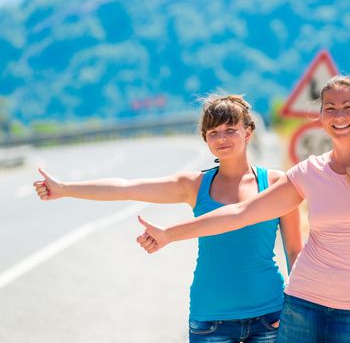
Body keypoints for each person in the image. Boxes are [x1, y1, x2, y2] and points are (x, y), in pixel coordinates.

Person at [136, 76, 350, 343]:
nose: (339, 116)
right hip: (305, 304)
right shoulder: (309, 172)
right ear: (321, 117)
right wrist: (169, 234)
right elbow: (241, 213)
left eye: (348, 107)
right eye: (330, 108)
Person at [33, 94, 303, 343]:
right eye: (213, 132)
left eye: (230, 129)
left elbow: (293, 250)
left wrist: (295, 309)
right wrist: (65, 189)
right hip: (211, 319)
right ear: (205, 139)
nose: (222, 138)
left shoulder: (276, 182)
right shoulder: (194, 185)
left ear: (248, 132)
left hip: (271, 316)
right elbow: (126, 188)